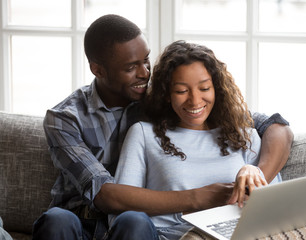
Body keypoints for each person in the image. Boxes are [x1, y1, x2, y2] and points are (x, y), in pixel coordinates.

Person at [32, 14, 292, 240]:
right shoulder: (65, 119)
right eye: (131, 67)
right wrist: (200, 197)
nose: (145, 73)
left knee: (133, 221)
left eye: (146, 61)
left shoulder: (162, 98)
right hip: (81, 222)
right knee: (57, 219)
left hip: (134, 226)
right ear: (98, 69)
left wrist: (256, 179)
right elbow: (104, 195)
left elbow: (273, 126)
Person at [110, 40, 283, 239]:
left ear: (216, 88)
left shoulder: (246, 137)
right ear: (167, 94)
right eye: (182, 91)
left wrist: (254, 169)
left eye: (204, 88)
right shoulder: (144, 134)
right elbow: (121, 214)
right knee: (132, 221)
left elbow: (275, 212)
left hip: (227, 234)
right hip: (164, 235)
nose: (194, 100)